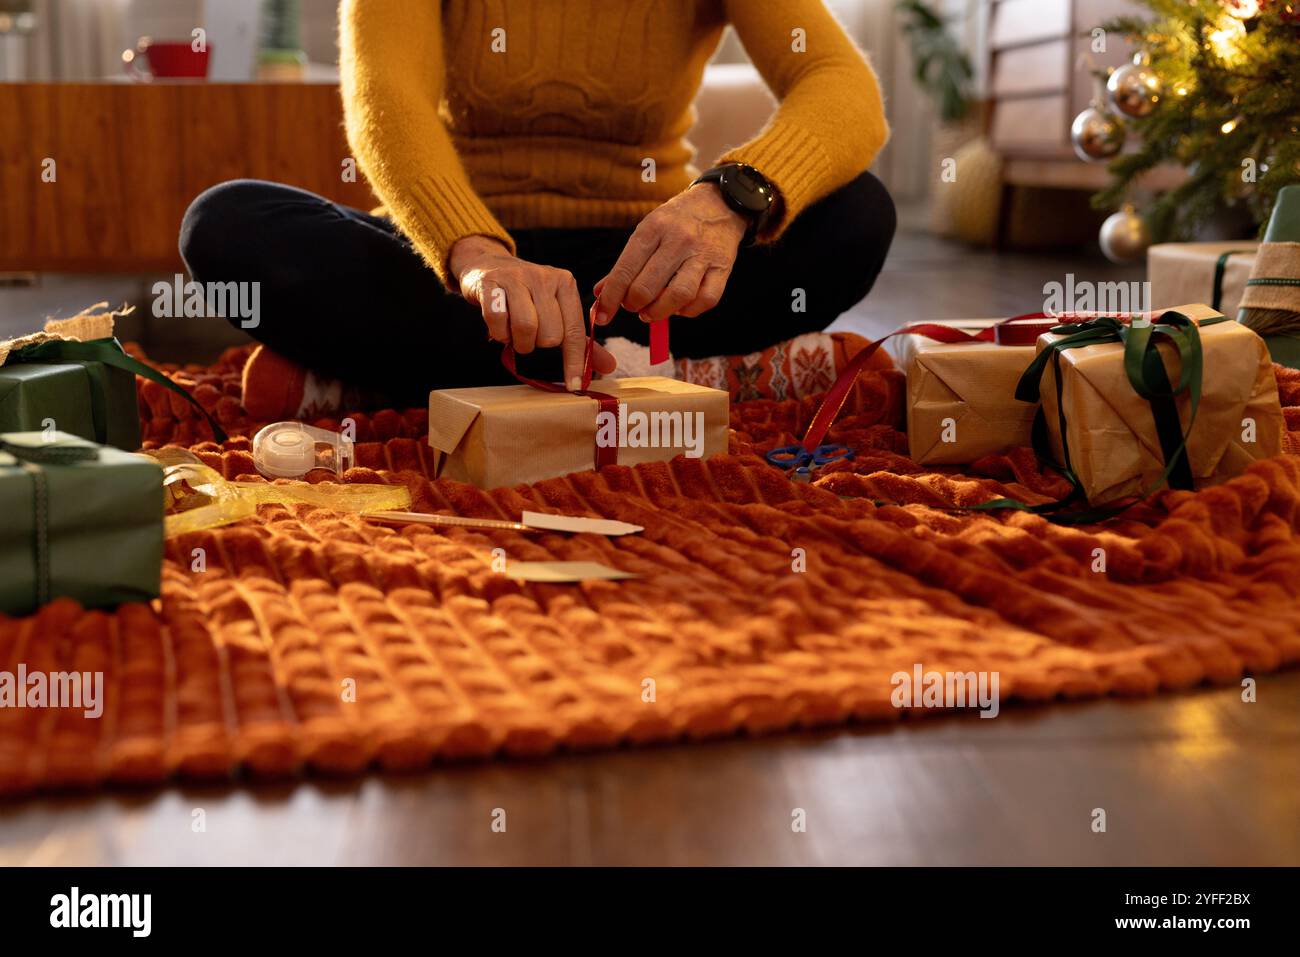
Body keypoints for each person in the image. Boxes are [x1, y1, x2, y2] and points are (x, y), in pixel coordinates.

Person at [180, 0, 895, 417]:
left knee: (857, 214)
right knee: (225, 225)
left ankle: (386, 375)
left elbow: (841, 86)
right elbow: (385, 103)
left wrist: (730, 197)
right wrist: (475, 252)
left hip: (640, 273)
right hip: (458, 268)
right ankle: (667, 375)